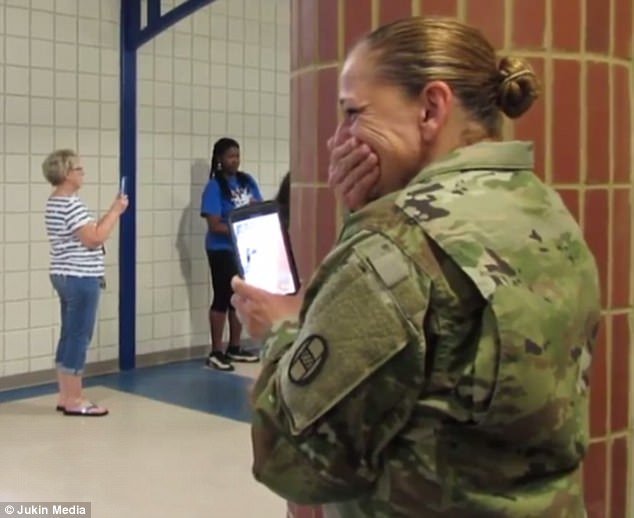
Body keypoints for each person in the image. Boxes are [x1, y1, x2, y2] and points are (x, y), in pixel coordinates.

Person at [230, 17, 601, 517]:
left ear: (431, 108)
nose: (337, 140)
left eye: (353, 113)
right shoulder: (547, 209)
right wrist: (371, 215)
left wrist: (280, 332)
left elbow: (293, 459)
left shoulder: (394, 241)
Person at [43, 149, 128, 416]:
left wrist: (110, 213)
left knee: (69, 334)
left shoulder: (56, 201)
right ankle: (75, 399)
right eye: (78, 169)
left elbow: (89, 232)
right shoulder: (71, 204)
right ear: (66, 173)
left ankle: (65, 394)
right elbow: (94, 239)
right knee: (79, 336)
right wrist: (116, 212)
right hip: (80, 276)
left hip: (64, 274)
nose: (83, 173)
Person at [200, 137, 263, 371]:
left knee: (240, 297)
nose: (235, 160)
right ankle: (216, 350)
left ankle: (234, 346)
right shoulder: (214, 187)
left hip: (244, 249)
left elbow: (258, 208)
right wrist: (241, 227)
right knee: (223, 296)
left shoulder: (247, 181)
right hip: (221, 249)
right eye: (230, 156)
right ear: (220, 159)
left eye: (237, 156)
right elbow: (215, 224)